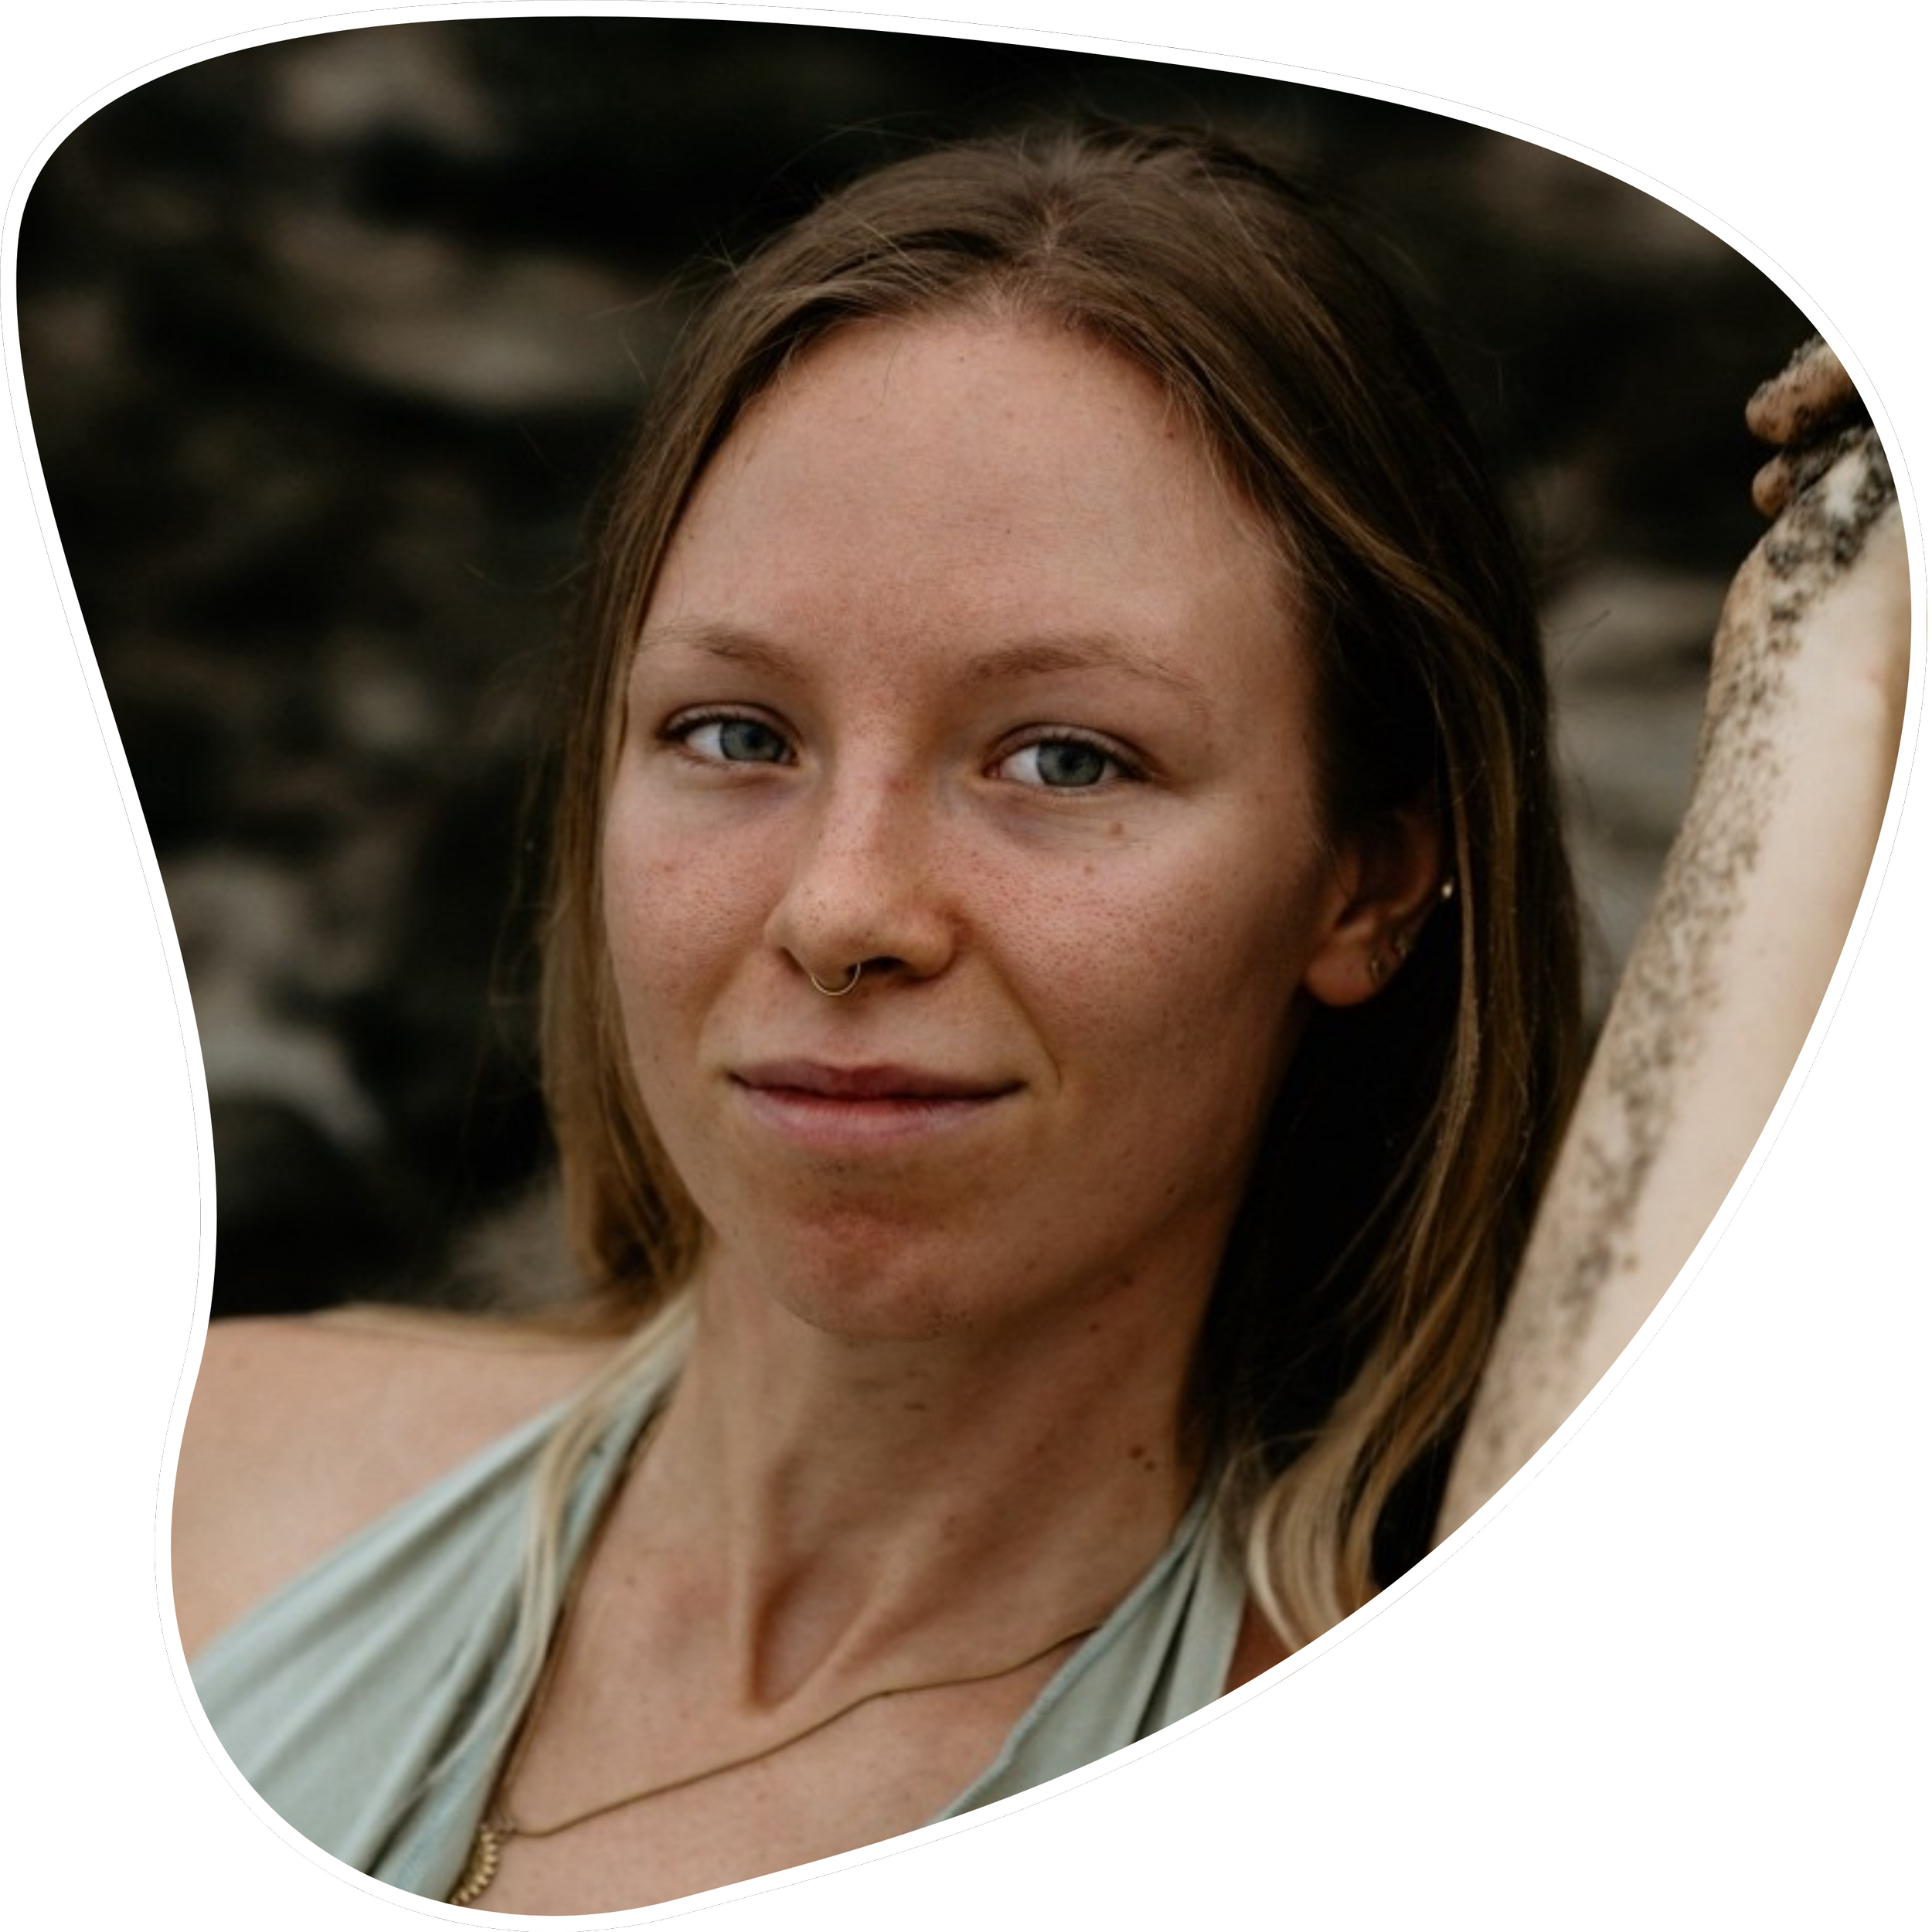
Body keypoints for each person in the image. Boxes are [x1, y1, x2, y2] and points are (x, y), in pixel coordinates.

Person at [168, 125, 1909, 1913]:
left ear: (1366, 883)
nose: (840, 908)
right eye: (733, 733)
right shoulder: (206, 1485)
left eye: (1064, 757)